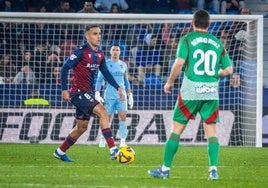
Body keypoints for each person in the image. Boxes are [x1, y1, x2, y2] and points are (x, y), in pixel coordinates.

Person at [148, 9, 233, 180]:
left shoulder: (187, 39)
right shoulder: (217, 42)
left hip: (190, 91)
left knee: (176, 130)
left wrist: (169, 82)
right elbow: (229, 70)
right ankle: (213, 170)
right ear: (209, 25)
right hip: (210, 92)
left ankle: (165, 170)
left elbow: (179, 63)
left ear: (192, 23)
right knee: (211, 131)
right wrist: (217, 74)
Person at [53, 24, 125, 162]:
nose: (99, 36)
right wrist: (64, 89)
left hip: (88, 93)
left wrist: (118, 87)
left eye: (99, 33)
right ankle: (113, 149)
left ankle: (59, 151)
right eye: (95, 34)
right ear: (87, 36)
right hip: (77, 93)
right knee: (103, 112)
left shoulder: (100, 54)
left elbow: (106, 73)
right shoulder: (80, 52)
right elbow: (64, 69)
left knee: (81, 127)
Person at [95, 44, 133, 148]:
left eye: (117, 50)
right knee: (107, 117)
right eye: (113, 50)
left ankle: (123, 140)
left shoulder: (123, 65)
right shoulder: (105, 64)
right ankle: (103, 138)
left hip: (122, 95)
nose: (115, 52)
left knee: (123, 117)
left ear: (120, 52)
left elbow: (125, 80)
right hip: (109, 94)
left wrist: (130, 94)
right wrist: (97, 92)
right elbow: (99, 79)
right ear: (110, 52)